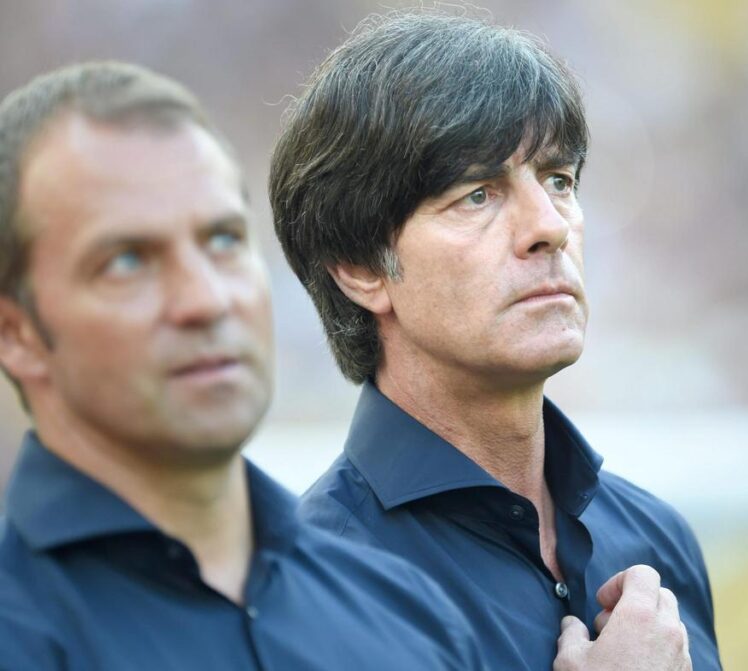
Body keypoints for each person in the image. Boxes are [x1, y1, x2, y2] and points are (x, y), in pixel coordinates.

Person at [270, 10, 721, 671]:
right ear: (361, 267)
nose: (549, 226)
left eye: (559, 180)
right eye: (476, 194)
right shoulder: (315, 595)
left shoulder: (657, 539)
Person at [0, 61, 483, 670]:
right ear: (16, 334)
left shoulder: (407, 614)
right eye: (126, 261)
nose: (206, 299)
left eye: (224, 241)